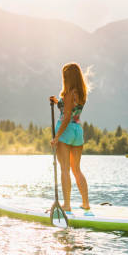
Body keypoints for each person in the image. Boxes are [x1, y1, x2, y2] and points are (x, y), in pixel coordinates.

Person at [49, 62, 90, 214]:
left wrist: (57, 137)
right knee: (76, 169)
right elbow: (69, 108)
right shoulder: (80, 93)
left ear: (68, 78)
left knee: (65, 169)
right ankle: (85, 203)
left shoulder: (68, 93)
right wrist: (56, 101)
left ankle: (66, 204)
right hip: (77, 131)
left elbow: (66, 116)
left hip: (65, 131)